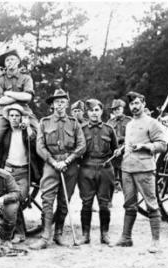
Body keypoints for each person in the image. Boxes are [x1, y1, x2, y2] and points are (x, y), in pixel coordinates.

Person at [30, 89, 86, 250]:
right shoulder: (44, 122)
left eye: (62, 102)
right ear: (52, 105)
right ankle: (45, 236)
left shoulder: (74, 123)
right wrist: (54, 162)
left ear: (67, 104)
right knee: (47, 200)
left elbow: (82, 145)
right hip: (51, 165)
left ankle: (58, 234)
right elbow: (40, 146)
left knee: (64, 201)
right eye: (57, 102)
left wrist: (68, 160)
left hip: (70, 165)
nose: (59, 105)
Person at [115, 91, 167, 253]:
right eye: (132, 104)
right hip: (127, 169)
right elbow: (131, 141)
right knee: (129, 204)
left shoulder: (152, 123)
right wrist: (122, 149)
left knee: (151, 204)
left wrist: (146, 147)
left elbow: (162, 145)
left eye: (137, 103)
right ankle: (126, 237)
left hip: (144, 169)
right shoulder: (130, 124)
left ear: (144, 104)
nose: (135, 107)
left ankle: (156, 242)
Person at [0, 103, 41, 244]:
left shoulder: (26, 132)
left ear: (21, 118)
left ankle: (18, 232)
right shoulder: (5, 134)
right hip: (8, 171)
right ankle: (18, 232)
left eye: (17, 116)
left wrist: (29, 129)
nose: (14, 118)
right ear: (8, 118)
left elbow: (34, 143)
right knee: (10, 200)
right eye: (12, 116)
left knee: (18, 198)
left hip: (24, 172)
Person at [77, 99, 118, 245]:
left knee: (104, 204)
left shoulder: (109, 129)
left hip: (105, 169)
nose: (94, 113)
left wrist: (118, 153)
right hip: (86, 169)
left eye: (97, 110)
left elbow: (115, 150)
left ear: (101, 111)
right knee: (86, 203)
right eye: (91, 110)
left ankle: (104, 234)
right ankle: (85, 235)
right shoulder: (81, 129)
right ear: (87, 113)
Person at [0, 49, 38, 157]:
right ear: (4, 64)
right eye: (7, 60)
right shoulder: (0, 78)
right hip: (3, 111)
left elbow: (28, 97)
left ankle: (40, 168)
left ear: (18, 61)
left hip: (24, 110)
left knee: (38, 133)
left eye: (12, 59)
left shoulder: (26, 77)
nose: (10, 62)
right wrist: (19, 96)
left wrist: (8, 93)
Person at [107, 99, 132, 192]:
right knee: (110, 180)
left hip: (125, 154)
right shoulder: (110, 122)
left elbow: (131, 137)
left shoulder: (129, 121)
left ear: (122, 109)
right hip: (112, 154)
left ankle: (129, 202)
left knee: (125, 180)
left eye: (118, 109)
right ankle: (108, 202)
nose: (116, 111)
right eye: (114, 109)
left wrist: (122, 148)